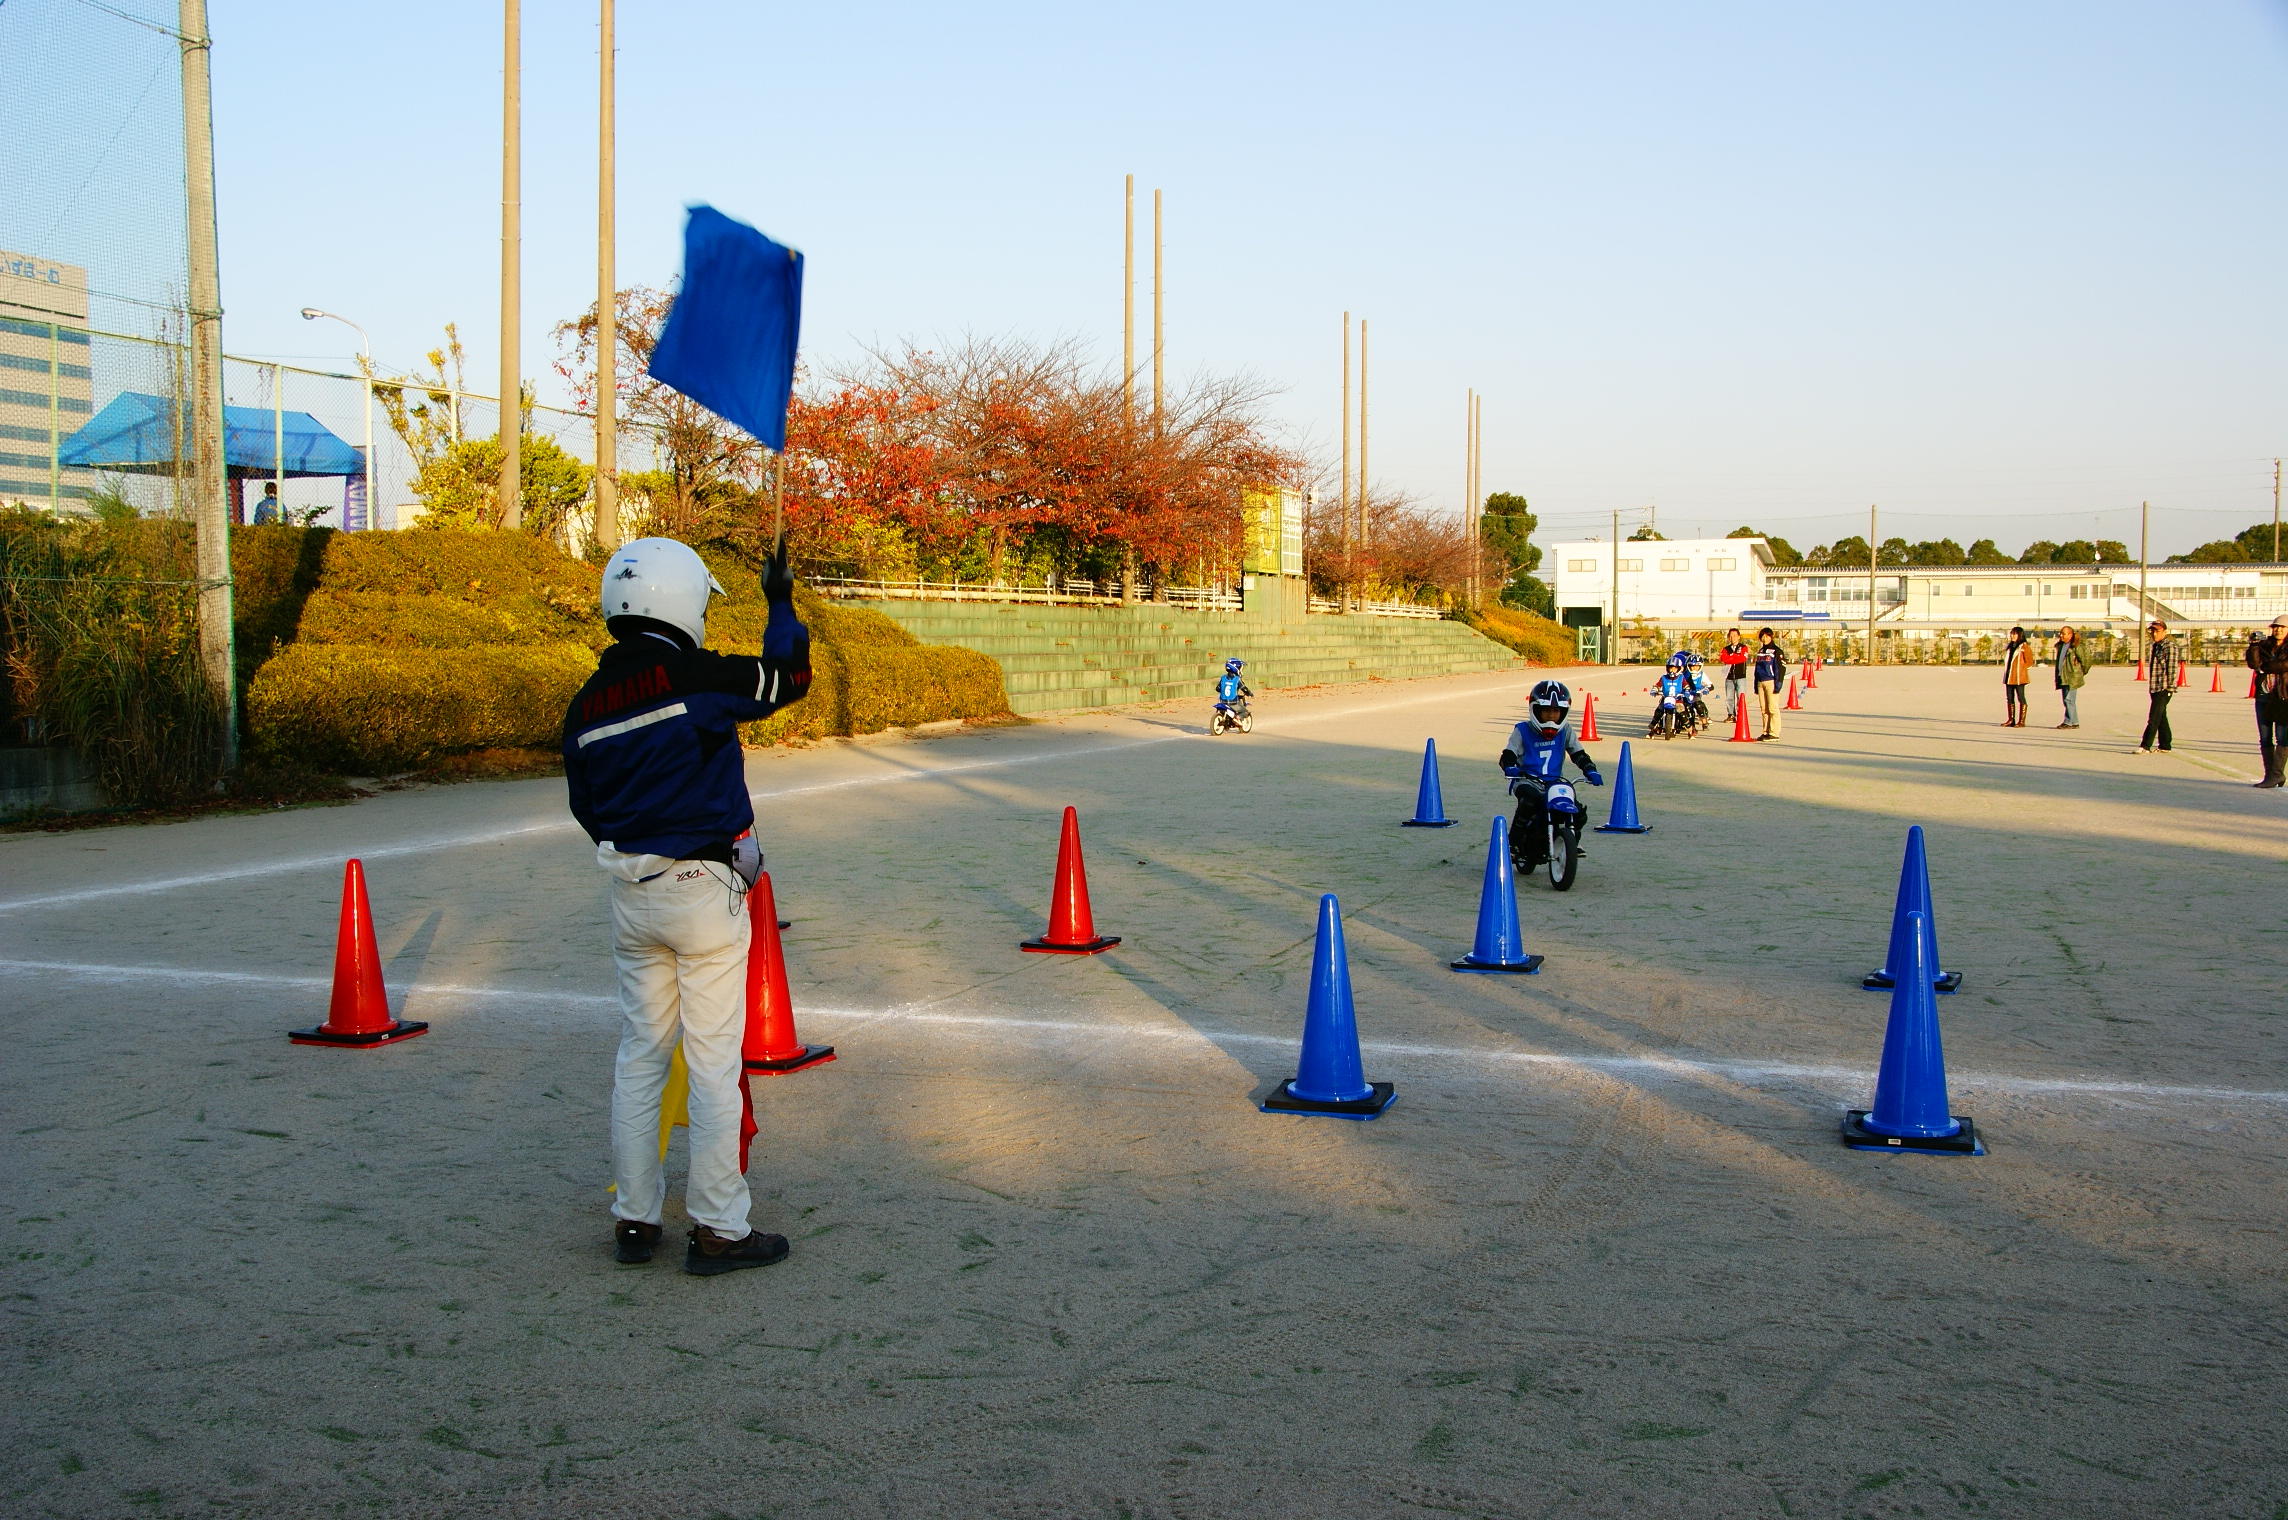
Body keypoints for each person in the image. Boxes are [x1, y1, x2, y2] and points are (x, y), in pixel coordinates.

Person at [562, 536, 813, 1276]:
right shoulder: (693, 677)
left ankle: (635, 1220)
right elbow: (786, 678)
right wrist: (778, 601)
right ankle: (719, 1227)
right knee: (710, 1063)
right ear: (680, 600)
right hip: (702, 891)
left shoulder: (583, 706)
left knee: (640, 1057)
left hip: (628, 895)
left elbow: (588, 810)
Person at [1499, 678, 1602, 867]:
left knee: (1578, 813)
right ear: (1535, 710)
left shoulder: (1566, 731)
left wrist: (1590, 770)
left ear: (1563, 712)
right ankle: (1512, 843)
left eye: (1555, 712)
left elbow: (1578, 753)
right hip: (1527, 780)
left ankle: (1567, 845)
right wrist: (1510, 766)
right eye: (1546, 711)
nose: (1551, 716)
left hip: (1554, 782)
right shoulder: (1522, 730)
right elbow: (1508, 753)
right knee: (1529, 801)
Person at [2246, 614, 2288, 789]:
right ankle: (2270, 774)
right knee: (2264, 737)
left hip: (2283, 697)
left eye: (2282, 627)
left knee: (2282, 737)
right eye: (2275, 627)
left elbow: (2284, 666)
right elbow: (2253, 663)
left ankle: (2276, 774)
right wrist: (2254, 646)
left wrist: (2265, 666)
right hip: (2264, 696)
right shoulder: (2264, 645)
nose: (2278, 630)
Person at [2136, 619, 2177, 754]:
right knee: (2161, 716)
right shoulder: (2156, 646)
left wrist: (2170, 687)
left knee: (2153, 717)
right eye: (2152, 631)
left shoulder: (2169, 646)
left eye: (2157, 631)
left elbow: (2171, 668)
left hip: (2164, 687)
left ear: (2164, 631)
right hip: (2154, 686)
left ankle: (2145, 745)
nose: (2154, 634)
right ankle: (2165, 745)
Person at [1752, 627, 1788, 740]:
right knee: (1764, 709)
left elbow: (1781, 669)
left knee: (1772, 708)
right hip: (1760, 682)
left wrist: (1778, 685)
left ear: (1771, 637)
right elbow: (1756, 669)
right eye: (1762, 636)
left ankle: (1774, 732)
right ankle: (1766, 731)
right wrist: (1755, 685)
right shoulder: (1761, 651)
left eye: (1767, 636)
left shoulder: (1777, 651)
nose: (1764, 638)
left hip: (1771, 682)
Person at [2052, 624, 2087, 729]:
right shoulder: (2061, 645)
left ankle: (2068, 722)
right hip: (2063, 676)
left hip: (2072, 676)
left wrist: (2080, 672)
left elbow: (2086, 660)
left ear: (2071, 635)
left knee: (2069, 700)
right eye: (2061, 633)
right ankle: (2074, 721)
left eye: (2064, 633)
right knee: (2066, 700)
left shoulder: (2076, 646)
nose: (2061, 635)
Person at [2000, 626, 2033, 727]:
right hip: (2009, 676)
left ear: (2020, 635)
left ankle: (2021, 721)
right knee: (2010, 698)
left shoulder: (2024, 646)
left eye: (2014, 634)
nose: (2012, 635)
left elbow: (2030, 662)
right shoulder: (2010, 646)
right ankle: (2011, 719)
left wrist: (2021, 670)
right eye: (2011, 633)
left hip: (2019, 677)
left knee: (2021, 697)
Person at [1718, 628, 1750, 721]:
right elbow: (1724, 658)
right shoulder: (1726, 649)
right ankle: (1731, 714)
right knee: (1729, 697)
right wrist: (1734, 657)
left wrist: (1732, 657)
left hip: (1740, 676)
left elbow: (1742, 658)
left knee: (1741, 696)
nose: (1733, 638)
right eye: (1731, 636)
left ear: (1739, 637)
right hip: (1729, 677)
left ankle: (1741, 715)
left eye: (1735, 635)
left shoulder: (1743, 647)